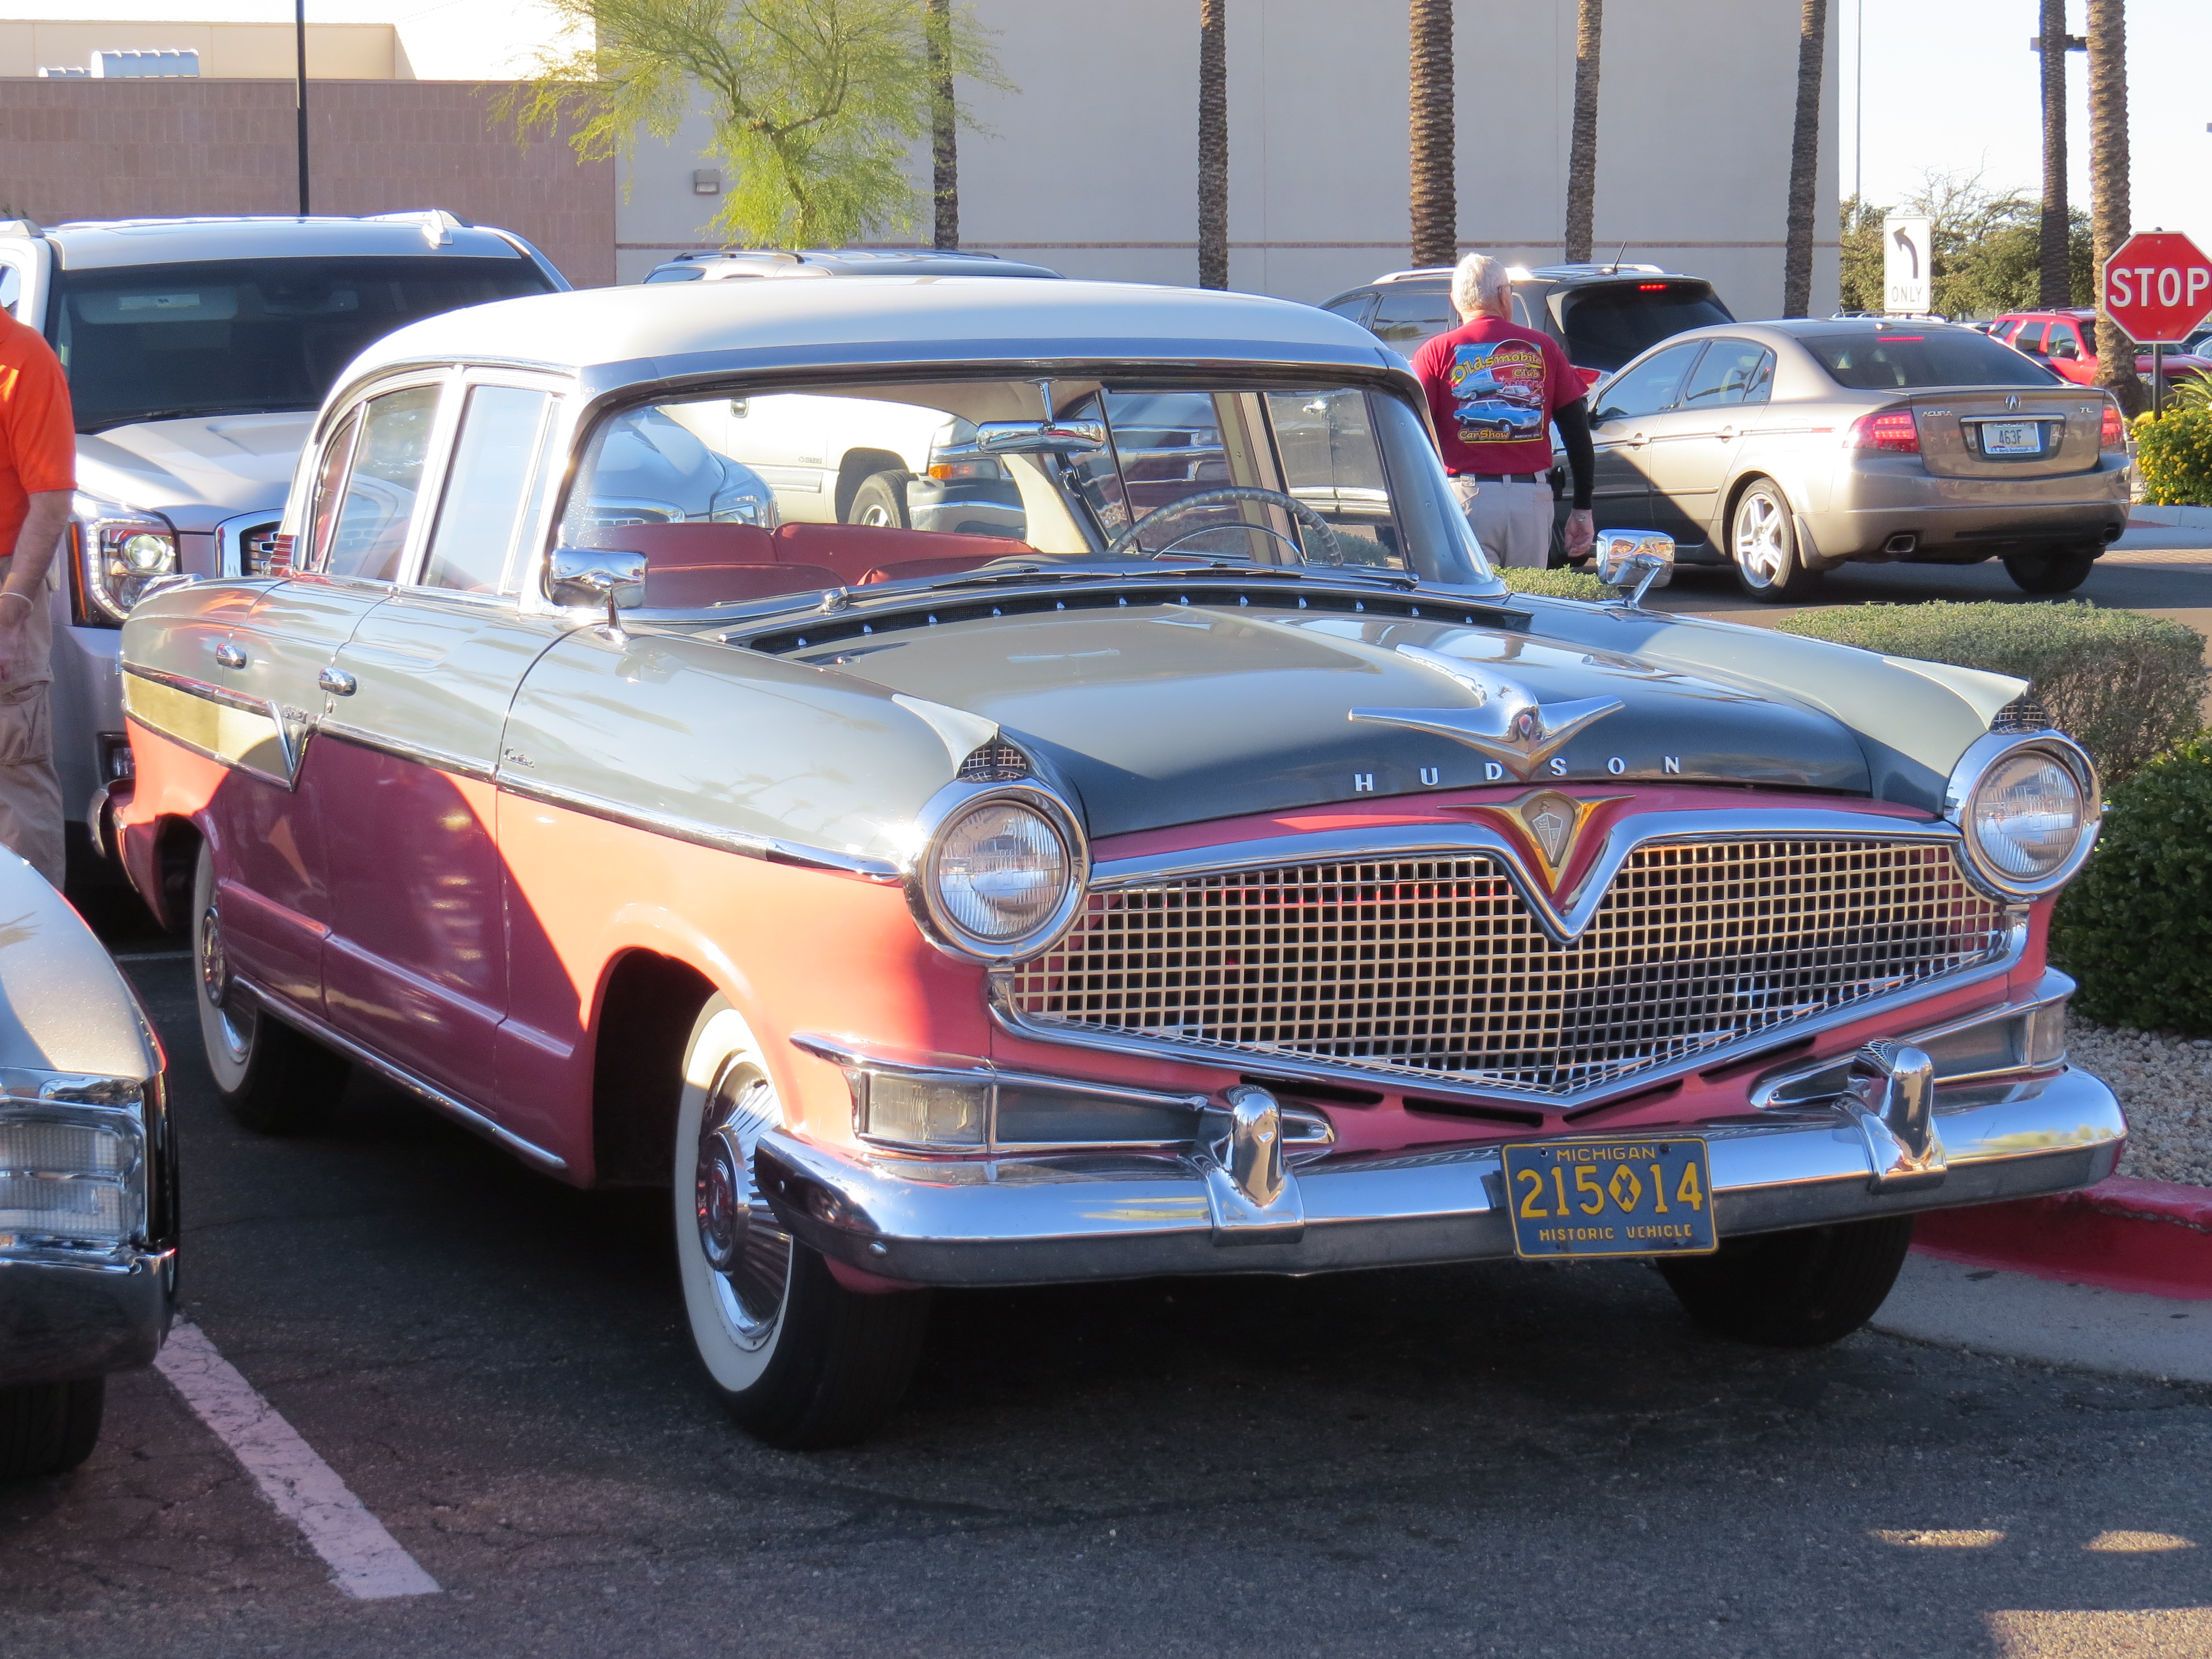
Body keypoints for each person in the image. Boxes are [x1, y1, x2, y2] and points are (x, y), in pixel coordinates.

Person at [1410, 252, 1595, 570]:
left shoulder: (1435, 352)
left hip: (1466, 497)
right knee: (1526, 603)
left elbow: (1413, 432)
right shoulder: (1544, 347)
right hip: (1531, 498)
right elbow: (1576, 429)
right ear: (1502, 294)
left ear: (1456, 299)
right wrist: (1582, 508)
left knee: (1474, 607)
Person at [0, 300, 74, 888]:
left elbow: (50, 502)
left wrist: (11, 613)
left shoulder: (23, 359)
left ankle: (33, 967)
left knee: (12, 780)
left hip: (5, 580)